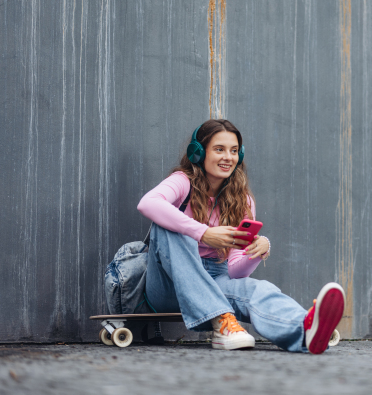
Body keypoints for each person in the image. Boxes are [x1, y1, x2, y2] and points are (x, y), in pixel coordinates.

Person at [137, 119, 345, 354]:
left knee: (256, 289)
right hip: (168, 284)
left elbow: (235, 271)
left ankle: (305, 330)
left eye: (234, 151)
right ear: (198, 152)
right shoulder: (183, 182)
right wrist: (203, 233)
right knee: (167, 225)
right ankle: (222, 321)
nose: (228, 157)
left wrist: (257, 251)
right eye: (219, 149)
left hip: (215, 277)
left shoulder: (242, 199)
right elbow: (148, 203)